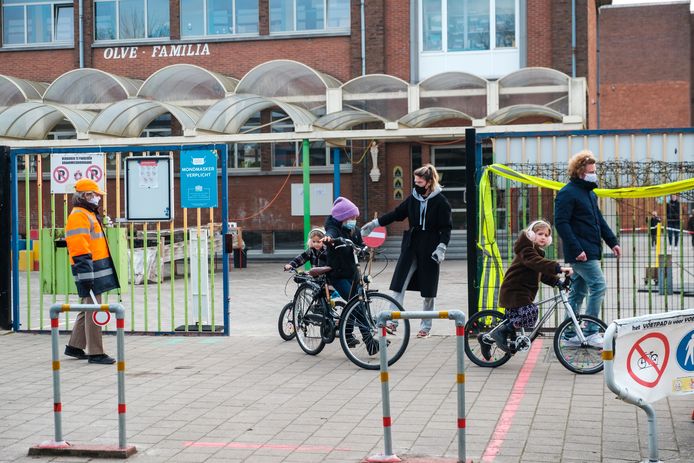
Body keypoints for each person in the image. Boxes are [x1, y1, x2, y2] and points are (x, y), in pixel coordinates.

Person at [361, 164, 452, 339]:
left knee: (428, 291)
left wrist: (441, 248)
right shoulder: (413, 199)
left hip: (431, 248)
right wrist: (375, 224)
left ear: (429, 182)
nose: (416, 184)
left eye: (419, 181)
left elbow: (446, 228)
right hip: (412, 245)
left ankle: (425, 327)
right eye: (415, 181)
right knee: (398, 284)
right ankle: (392, 321)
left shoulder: (441, 202)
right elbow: (396, 214)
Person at [554, 150, 621, 344]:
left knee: (578, 292)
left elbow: (598, 220)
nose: (594, 174)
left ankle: (569, 335)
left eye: (594, 170)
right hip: (581, 253)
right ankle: (591, 331)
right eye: (590, 171)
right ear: (579, 172)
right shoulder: (567, 193)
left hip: (590, 250)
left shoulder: (589, 193)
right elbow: (562, 223)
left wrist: (613, 242)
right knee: (599, 286)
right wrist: (577, 250)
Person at [483, 220, 573, 359]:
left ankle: (486, 339)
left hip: (522, 292)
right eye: (540, 234)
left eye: (546, 235)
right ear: (531, 234)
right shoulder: (526, 250)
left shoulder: (536, 252)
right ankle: (500, 333)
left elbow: (541, 273)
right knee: (531, 313)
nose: (543, 237)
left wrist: (557, 282)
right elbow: (536, 262)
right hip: (515, 291)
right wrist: (558, 268)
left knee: (514, 322)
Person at [63, 178, 119, 365]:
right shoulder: (79, 216)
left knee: (88, 307)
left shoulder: (87, 213)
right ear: (86, 195)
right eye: (96, 195)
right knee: (94, 309)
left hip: (95, 269)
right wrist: (86, 276)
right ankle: (96, 352)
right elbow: (79, 248)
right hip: (90, 270)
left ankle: (75, 346)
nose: (98, 198)